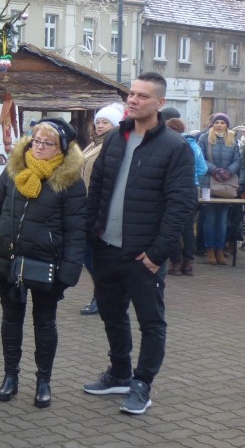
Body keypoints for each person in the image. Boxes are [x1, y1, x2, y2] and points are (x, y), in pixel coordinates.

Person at [83, 72, 194, 415]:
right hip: (106, 247)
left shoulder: (175, 148)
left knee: (151, 321)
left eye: (142, 96)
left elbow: (181, 205)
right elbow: (98, 188)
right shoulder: (115, 138)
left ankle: (142, 384)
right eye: (131, 94)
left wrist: (158, 253)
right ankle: (119, 373)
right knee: (112, 314)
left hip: (142, 254)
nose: (132, 100)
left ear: (159, 103)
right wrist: (90, 232)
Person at [0, 118, 86, 408]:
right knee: (11, 320)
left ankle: (43, 381)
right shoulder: (14, 169)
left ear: (60, 148)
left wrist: (70, 270)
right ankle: (10, 376)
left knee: (45, 322)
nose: (39, 147)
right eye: (36, 140)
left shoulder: (70, 180)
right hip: (9, 257)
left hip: (47, 262)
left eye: (47, 143)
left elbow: (76, 229)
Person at [78, 103, 123, 315]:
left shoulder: (112, 147)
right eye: (98, 122)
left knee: (94, 256)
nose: (100, 125)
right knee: (89, 255)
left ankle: (102, 296)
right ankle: (104, 294)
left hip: (97, 208)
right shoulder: (93, 144)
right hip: (84, 205)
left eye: (106, 122)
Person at [197, 113, 240, 265]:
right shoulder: (204, 138)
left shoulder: (233, 140)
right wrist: (215, 170)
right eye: (217, 122)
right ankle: (209, 250)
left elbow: (237, 160)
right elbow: (200, 158)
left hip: (227, 185)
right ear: (213, 124)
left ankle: (219, 250)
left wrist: (228, 171)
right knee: (209, 218)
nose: (219, 125)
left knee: (222, 219)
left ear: (227, 125)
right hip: (208, 183)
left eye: (222, 122)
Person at [165, 117, 206, 276]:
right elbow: (202, 168)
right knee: (188, 226)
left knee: (172, 225)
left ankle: (176, 262)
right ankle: (188, 264)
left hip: (175, 188)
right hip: (192, 189)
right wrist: (194, 178)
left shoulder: (172, 144)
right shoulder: (195, 145)